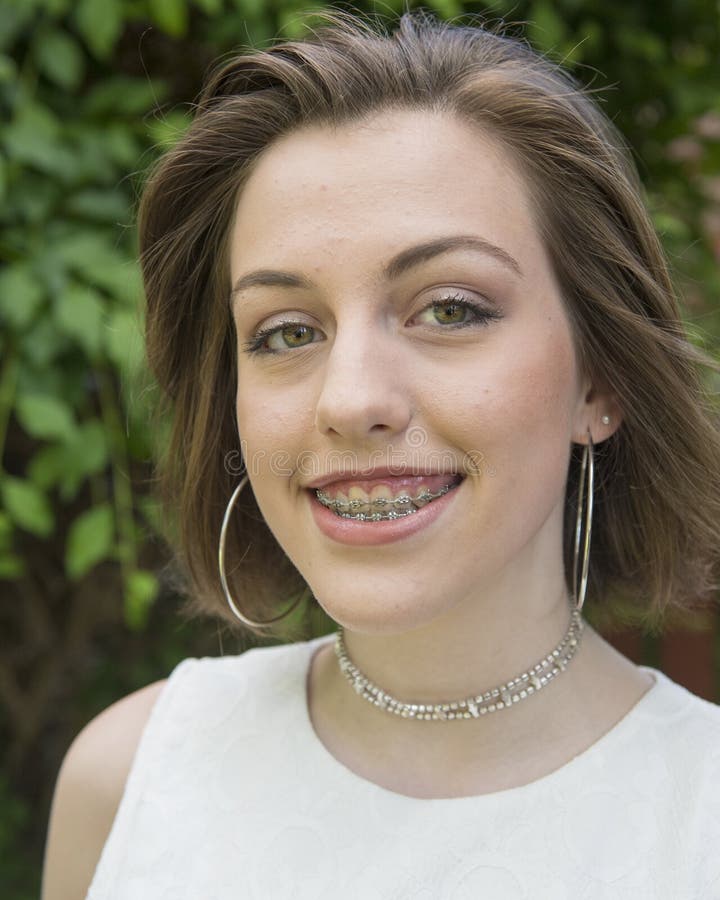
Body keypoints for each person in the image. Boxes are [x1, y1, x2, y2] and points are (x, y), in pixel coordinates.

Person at [42, 9, 720, 899]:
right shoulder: (127, 780)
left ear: (599, 381)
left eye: (448, 309)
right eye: (286, 331)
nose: (351, 398)